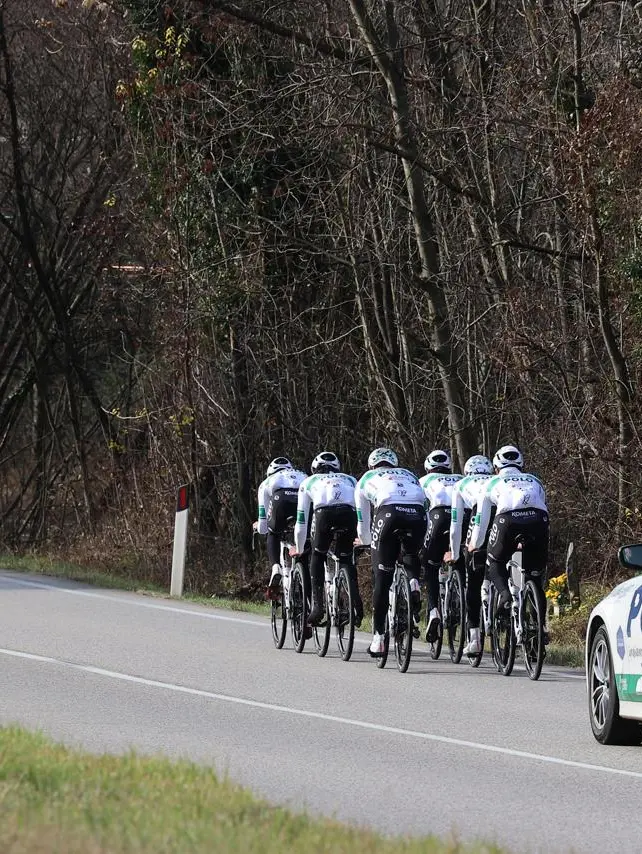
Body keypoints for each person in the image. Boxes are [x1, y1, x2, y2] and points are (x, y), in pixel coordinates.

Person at [467, 445, 549, 640]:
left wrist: (475, 544)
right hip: (538, 519)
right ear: (520, 465)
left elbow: (482, 519)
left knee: (494, 561)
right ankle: (541, 628)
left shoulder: (490, 482)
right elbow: (542, 504)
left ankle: (504, 595)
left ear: (496, 467)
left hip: (508, 520)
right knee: (535, 578)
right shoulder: (534, 479)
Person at [354, 447, 427, 657]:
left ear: (371, 465)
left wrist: (367, 542)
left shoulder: (366, 478)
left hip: (388, 514)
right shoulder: (410, 475)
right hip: (418, 515)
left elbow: (363, 520)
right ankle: (413, 581)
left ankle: (378, 640)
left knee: (382, 578)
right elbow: (425, 503)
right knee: (411, 553)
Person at [291, 451, 362, 627]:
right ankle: (357, 606)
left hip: (324, 514)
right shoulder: (350, 479)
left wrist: (300, 547)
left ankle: (318, 607)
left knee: (318, 554)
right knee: (346, 557)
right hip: (349, 513)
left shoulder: (308, 482)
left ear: (314, 469)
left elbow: (301, 521)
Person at [445, 454, 494, 656]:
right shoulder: (496, 480)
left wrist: (456, 554)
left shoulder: (462, 484)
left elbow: (456, 526)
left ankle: (474, 640)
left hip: (479, 516)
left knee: (472, 583)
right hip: (504, 517)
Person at [419, 450, 463, 644]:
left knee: (430, 564)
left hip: (437, 518)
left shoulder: (423, 481)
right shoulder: (460, 478)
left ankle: (433, 610)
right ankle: (461, 599)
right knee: (460, 560)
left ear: (428, 467)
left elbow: (418, 509)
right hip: (462, 518)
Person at [254, 457, 307, 598]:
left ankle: (276, 567)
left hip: (281, 500)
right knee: (306, 535)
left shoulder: (267, 482)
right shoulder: (302, 474)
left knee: (273, 532)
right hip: (302, 499)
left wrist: (259, 527)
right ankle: (305, 573)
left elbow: (263, 523)